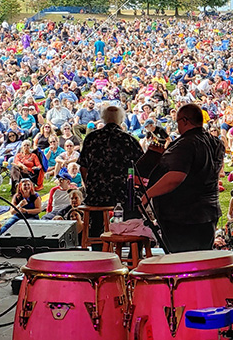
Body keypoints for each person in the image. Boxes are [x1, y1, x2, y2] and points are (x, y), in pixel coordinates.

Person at [142, 103, 224, 253]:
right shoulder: (216, 143)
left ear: (185, 121)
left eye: (178, 121)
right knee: (203, 258)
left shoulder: (185, 144)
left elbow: (175, 177)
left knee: (182, 260)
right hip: (208, 211)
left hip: (183, 216)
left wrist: (148, 194)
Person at [78, 105, 145, 238]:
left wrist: (90, 186)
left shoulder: (91, 138)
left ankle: (97, 250)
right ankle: (133, 251)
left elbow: (83, 167)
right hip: (122, 194)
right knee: (134, 216)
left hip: (96, 195)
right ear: (121, 120)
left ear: (103, 118)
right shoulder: (129, 140)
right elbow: (140, 167)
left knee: (96, 221)